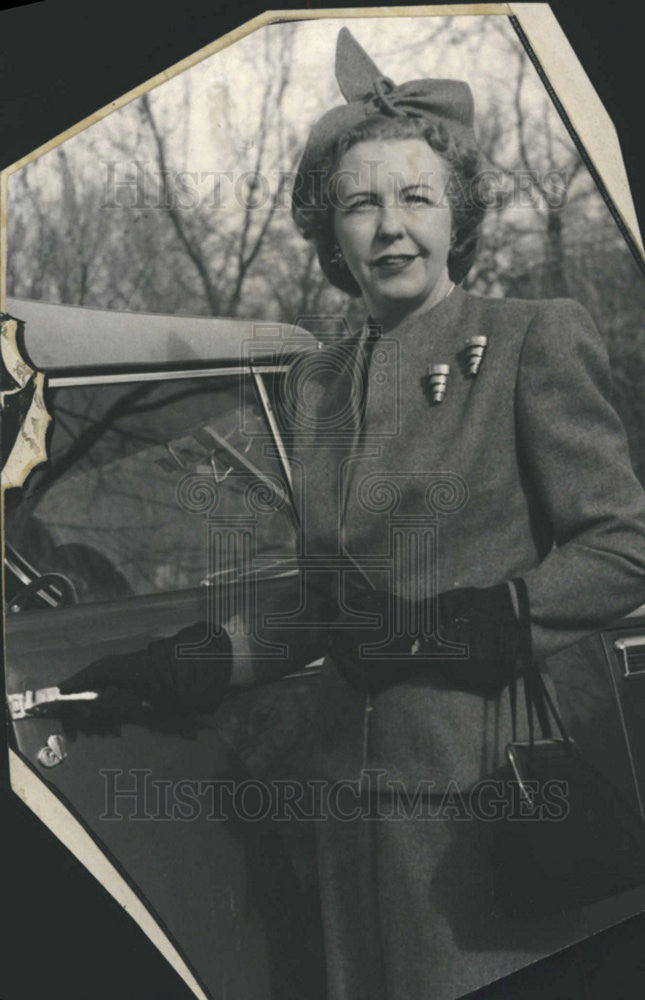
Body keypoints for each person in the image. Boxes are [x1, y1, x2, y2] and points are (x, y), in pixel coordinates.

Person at [60, 27, 645, 1000]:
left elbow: (626, 542)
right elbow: (323, 604)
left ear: (457, 209)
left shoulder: (528, 341)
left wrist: (496, 615)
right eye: (360, 204)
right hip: (348, 810)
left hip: (494, 801)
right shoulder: (319, 384)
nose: (390, 226)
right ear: (330, 232)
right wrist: (184, 663)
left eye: (416, 196)